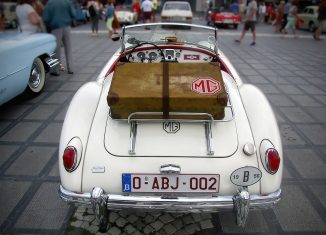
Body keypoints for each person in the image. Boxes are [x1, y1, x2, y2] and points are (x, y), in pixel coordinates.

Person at [43, 0, 76, 75]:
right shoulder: (67, 1)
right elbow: (73, 14)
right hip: (67, 27)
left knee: (56, 49)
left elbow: (46, 18)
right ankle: (71, 68)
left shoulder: (50, 3)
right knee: (68, 48)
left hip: (55, 28)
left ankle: (55, 70)